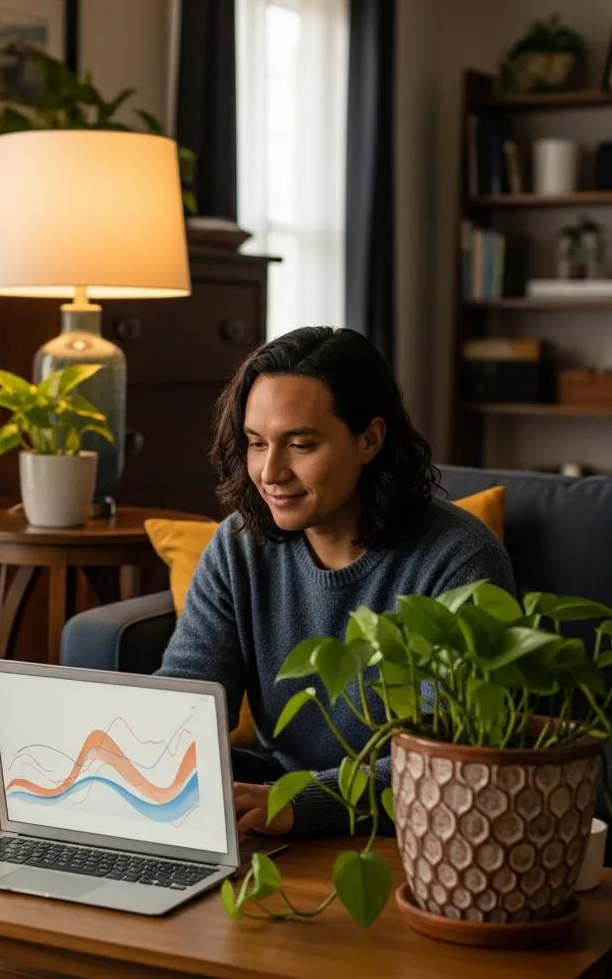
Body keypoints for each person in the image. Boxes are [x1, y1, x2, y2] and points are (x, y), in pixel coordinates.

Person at [157, 327, 514, 838]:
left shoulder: (459, 560)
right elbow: (185, 702)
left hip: (416, 831)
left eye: (300, 444)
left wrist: (304, 804)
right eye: (257, 444)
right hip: (274, 812)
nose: (270, 472)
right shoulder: (238, 545)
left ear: (369, 439)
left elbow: (453, 755)